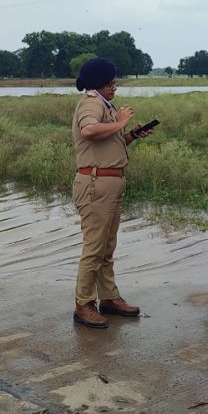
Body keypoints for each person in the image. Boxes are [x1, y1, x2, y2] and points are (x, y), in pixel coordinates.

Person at [71, 57, 149, 329]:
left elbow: (106, 144)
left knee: (106, 248)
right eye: (111, 83)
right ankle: (83, 304)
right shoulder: (92, 102)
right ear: (99, 84)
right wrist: (120, 122)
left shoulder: (104, 104)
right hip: (95, 185)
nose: (115, 88)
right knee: (94, 248)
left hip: (109, 183)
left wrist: (131, 135)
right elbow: (89, 130)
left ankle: (109, 298)